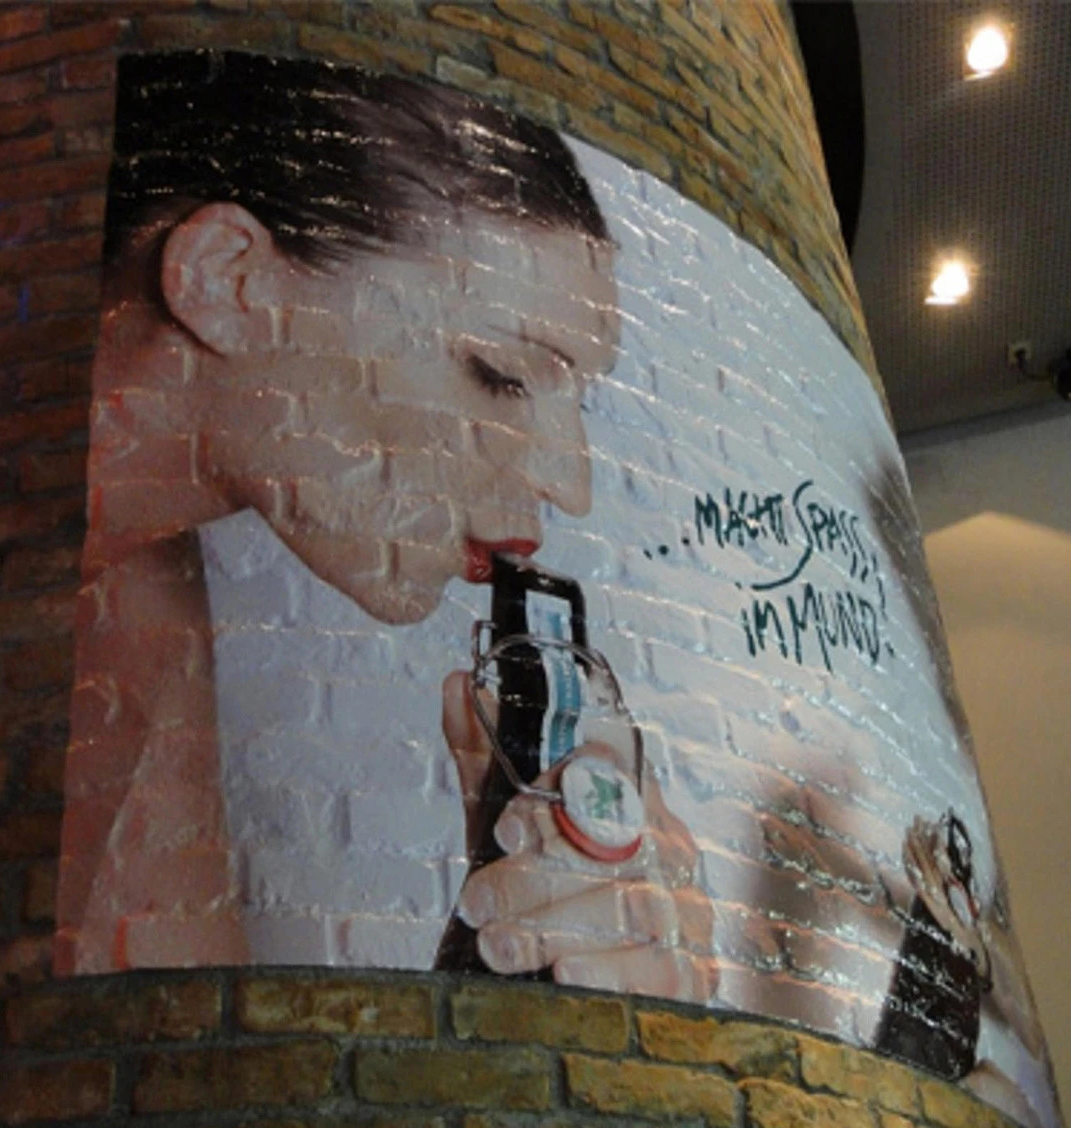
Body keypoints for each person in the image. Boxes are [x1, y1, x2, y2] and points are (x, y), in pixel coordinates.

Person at [55, 50, 713, 1001]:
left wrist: (513, 970)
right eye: (499, 372)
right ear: (227, 281)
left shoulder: (144, 601)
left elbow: (154, 1065)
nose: (570, 486)